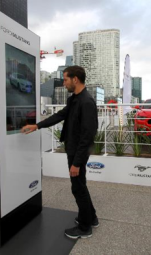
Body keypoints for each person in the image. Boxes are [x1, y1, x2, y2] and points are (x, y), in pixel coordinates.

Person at [20, 66, 99, 239]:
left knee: (77, 188)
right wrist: (37, 126)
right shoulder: (74, 99)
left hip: (78, 151)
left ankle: (85, 228)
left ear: (75, 79)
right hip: (73, 148)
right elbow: (60, 115)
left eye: (65, 79)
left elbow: (88, 135)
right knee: (80, 185)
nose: (64, 83)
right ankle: (91, 217)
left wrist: (77, 162)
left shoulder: (86, 102)